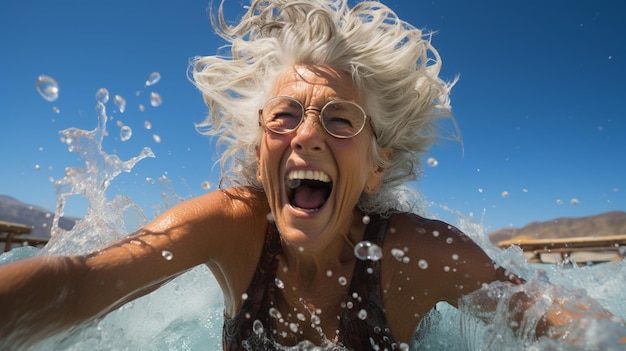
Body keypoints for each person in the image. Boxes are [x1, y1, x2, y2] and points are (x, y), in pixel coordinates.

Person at [0, 0, 622, 350]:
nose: (306, 133)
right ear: (260, 146)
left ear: (376, 168)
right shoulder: (230, 227)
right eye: (286, 116)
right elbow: (77, 286)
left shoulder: (416, 253)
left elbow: (551, 317)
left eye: (339, 119)